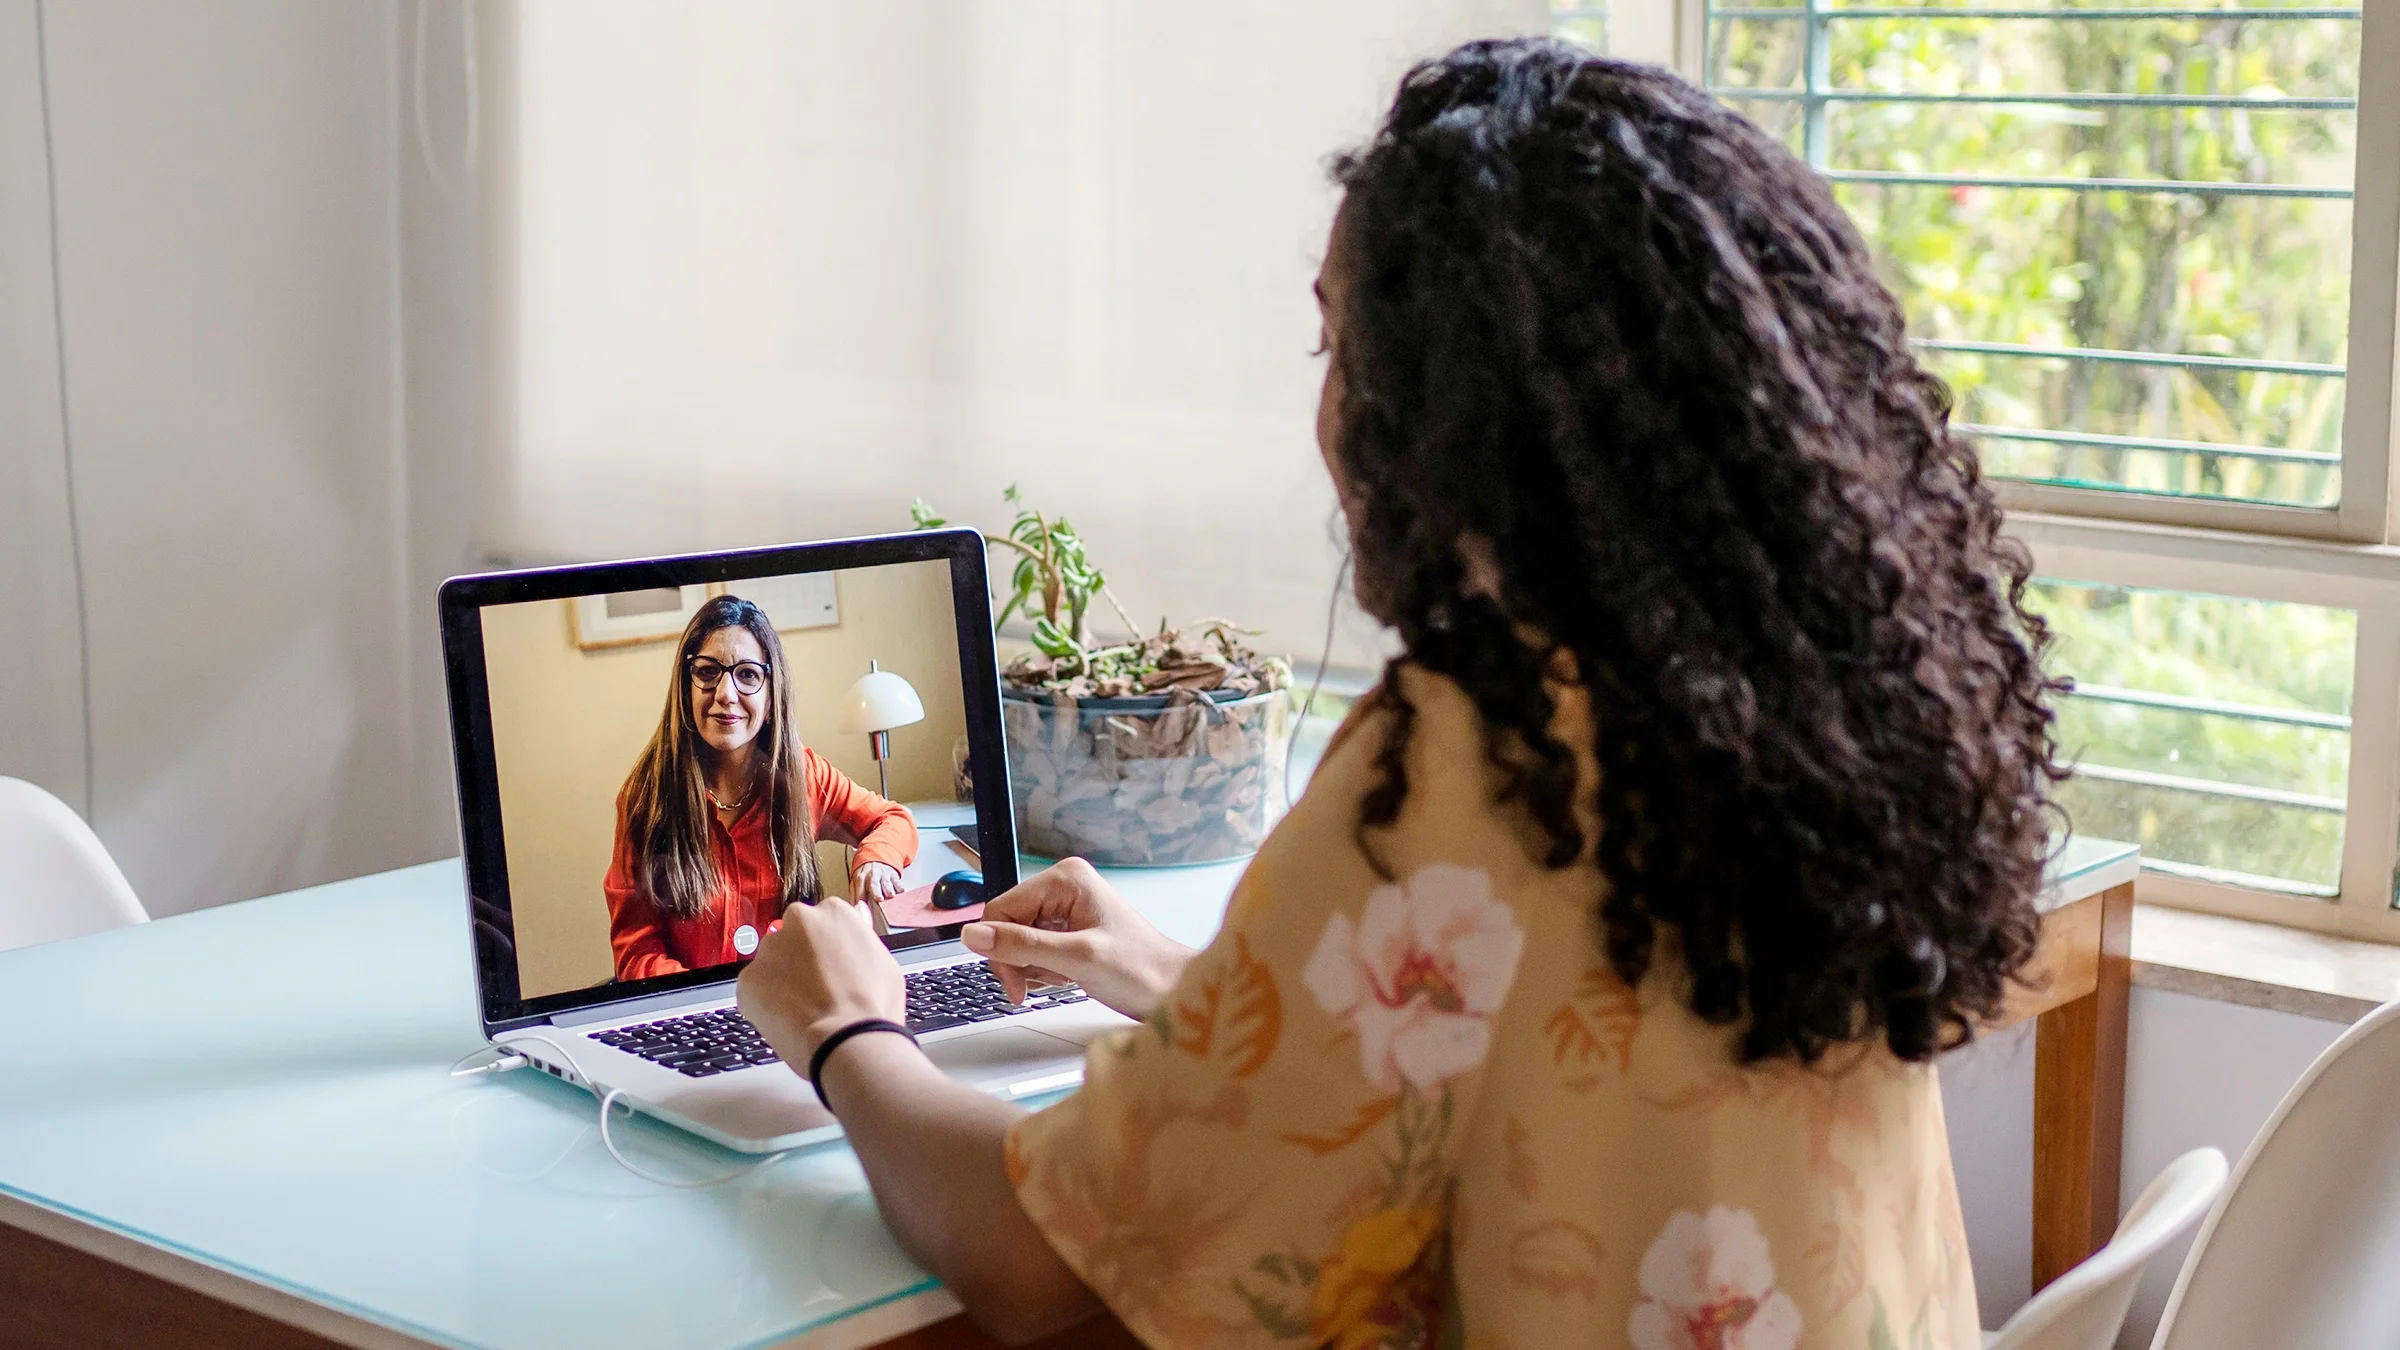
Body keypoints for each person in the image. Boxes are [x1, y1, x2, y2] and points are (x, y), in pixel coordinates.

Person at [738, 39, 2062, 1348]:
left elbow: (1032, 1262)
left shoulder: (1483, 757)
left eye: (1338, 343)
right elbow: (1562, 1032)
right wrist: (1194, 986)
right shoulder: (1784, 705)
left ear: (1460, 407)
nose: (1324, 408)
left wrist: (848, 1028)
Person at [605, 595, 916, 982]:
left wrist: (875, 859)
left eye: (748, 675)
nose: (726, 693)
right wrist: (710, 1002)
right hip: (695, 1015)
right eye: (707, 672)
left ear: (772, 697)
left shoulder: (804, 776)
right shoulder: (645, 796)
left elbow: (892, 819)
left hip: (792, 1004)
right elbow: (636, 953)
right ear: (686, 686)